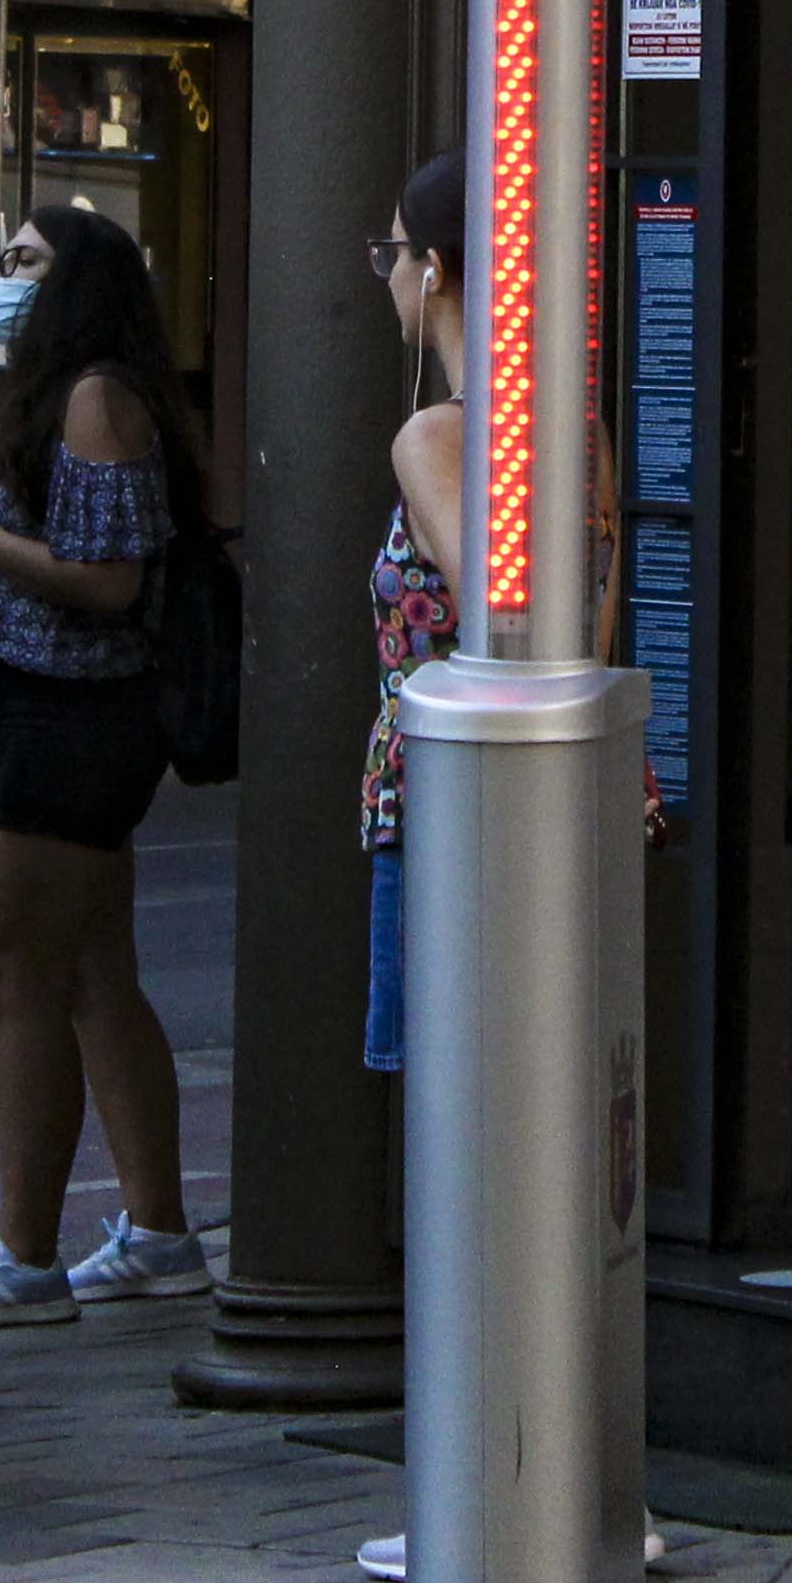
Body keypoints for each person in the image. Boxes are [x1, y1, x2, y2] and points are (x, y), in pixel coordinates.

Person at [0, 206, 204, 1329]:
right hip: (65, 714)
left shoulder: (94, 398)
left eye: (23, 261)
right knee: (90, 974)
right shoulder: (81, 393)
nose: (0, 277)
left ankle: (25, 1254)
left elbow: (108, 576)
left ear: (75, 283)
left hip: (78, 722)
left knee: (16, 971)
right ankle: (159, 1228)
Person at [361, 157, 471, 1085]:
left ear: (432, 269)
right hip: (537, 790)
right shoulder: (578, 431)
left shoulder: (432, 438)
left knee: (446, 1090)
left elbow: (497, 609)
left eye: (393, 253)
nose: (388, 274)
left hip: (441, 799)